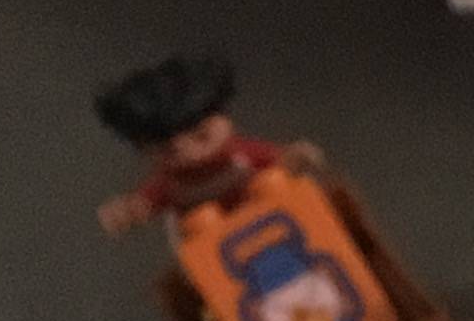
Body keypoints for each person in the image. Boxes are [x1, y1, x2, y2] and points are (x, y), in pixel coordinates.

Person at [93, 54, 323, 236]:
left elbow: (279, 160)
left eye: (201, 135)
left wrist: (294, 159)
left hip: (271, 224)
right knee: (199, 227)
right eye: (170, 150)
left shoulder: (239, 155)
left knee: (270, 184)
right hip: (213, 249)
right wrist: (127, 212)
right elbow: (145, 203)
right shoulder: (171, 184)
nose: (190, 151)